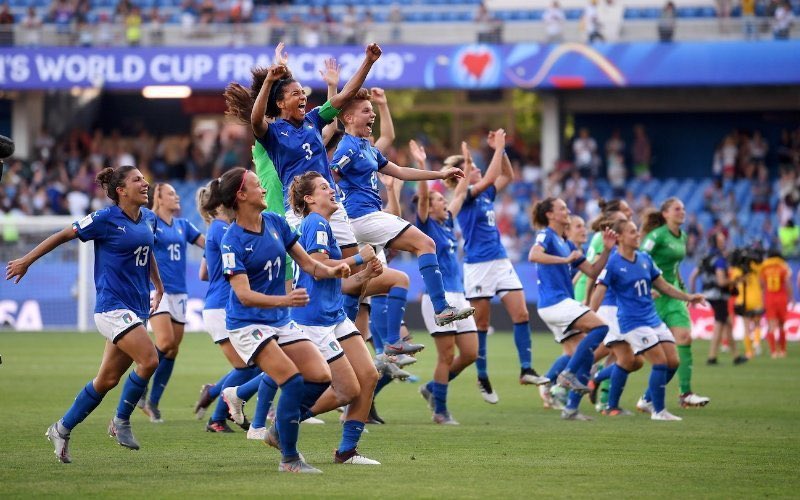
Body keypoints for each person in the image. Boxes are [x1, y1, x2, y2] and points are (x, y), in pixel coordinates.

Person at [6, 165, 163, 462]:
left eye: (144, 178)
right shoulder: (104, 218)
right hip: (112, 307)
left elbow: (147, 251)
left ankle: (61, 429)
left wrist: (159, 284)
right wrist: (26, 260)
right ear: (121, 190)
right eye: (137, 180)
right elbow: (63, 235)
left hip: (138, 307)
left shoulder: (148, 219)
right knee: (150, 359)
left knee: (106, 380)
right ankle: (121, 420)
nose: (145, 183)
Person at [207, 166, 350, 473]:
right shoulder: (232, 240)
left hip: (279, 319)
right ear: (241, 195)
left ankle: (280, 428)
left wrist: (333, 270)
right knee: (292, 379)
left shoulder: (274, 222)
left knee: (320, 375)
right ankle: (290, 459)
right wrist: (285, 300)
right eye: (257, 185)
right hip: (247, 323)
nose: (263, 189)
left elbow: (309, 264)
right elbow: (244, 295)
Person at [331, 91, 474, 354]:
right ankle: (441, 308)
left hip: (358, 224)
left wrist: (440, 174)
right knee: (425, 243)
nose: (372, 114)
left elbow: (400, 172)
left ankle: (341, 339)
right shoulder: (347, 147)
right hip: (362, 217)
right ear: (348, 118)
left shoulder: (367, 148)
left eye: (372, 110)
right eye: (366, 110)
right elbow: (331, 176)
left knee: (357, 286)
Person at [442, 131, 549, 406]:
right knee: (481, 323)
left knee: (522, 313)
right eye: (472, 167)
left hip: (500, 261)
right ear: (461, 176)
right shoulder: (464, 195)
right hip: (478, 265)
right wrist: (498, 147)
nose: (477, 169)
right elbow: (491, 177)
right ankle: (482, 375)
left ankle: (526, 369)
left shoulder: (485, 194)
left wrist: (501, 153)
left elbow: (506, 176)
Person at [288, 171, 382, 463]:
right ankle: (286, 423)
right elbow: (318, 266)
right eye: (324, 187)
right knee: (346, 390)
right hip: (315, 319)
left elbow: (339, 282)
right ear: (309, 198)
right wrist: (359, 258)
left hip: (334, 314)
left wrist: (366, 274)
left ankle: (347, 451)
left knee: (369, 376)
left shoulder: (323, 226)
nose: (332, 191)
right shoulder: (315, 222)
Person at [592, 219, 706, 421]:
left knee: (673, 362)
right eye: (632, 232)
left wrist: (688, 297)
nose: (638, 235)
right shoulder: (613, 263)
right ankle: (658, 411)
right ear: (620, 237)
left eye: (637, 231)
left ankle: (646, 401)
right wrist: (589, 317)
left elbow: (664, 286)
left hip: (652, 318)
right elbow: (599, 290)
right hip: (632, 322)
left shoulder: (645, 258)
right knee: (658, 361)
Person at [529, 197, 615, 420]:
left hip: (559, 303)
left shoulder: (566, 243)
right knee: (601, 328)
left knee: (585, 356)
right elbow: (533, 255)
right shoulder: (547, 235)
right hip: (554, 303)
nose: (567, 210)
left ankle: (570, 410)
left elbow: (593, 271)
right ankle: (566, 374)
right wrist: (565, 259)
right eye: (562, 208)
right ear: (550, 214)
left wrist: (606, 251)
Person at [415, 142, 479, 425]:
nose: (444, 202)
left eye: (443, 199)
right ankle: (440, 411)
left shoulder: (448, 223)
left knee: (471, 353)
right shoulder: (426, 225)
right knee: (447, 355)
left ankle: (432, 388)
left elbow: (461, 192)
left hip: (459, 296)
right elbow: (422, 197)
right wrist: (421, 165)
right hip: (438, 298)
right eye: (439, 200)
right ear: (430, 208)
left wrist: (467, 162)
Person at [194, 183, 262, 432]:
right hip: (222, 307)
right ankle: (217, 417)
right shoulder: (224, 229)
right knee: (246, 367)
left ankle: (215, 396)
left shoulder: (215, 229)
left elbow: (203, 273)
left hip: (221, 304)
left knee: (251, 365)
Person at [138, 183, 205, 423]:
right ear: (158, 197)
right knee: (165, 342)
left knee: (173, 348)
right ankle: (140, 381)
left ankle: (152, 402)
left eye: (177, 193)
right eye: (171, 194)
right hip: (157, 290)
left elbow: (207, 244)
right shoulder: (150, 222)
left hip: (180, 292)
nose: (176, 197)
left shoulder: (183, 225)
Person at [641, 198, 710, 408]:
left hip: (672, 294)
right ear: (665, 214)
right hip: (653, 295)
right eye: (677, 209)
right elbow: (640, 259)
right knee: (631, 354)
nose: (682, 212)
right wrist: (645, 286)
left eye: (683, 208)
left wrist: (682, 287)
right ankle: (599, 381)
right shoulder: (656, 236)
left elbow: (674, 265)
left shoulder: (683, 236)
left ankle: (685, 393)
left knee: (684, 338)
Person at [689, 231, 743, 365]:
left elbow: (693, 277)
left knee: (727, 323)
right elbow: (721, 282)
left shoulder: (705, 257)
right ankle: (712, 357)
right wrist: (736, 281)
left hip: (708, 293)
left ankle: (736, 356)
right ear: (716, 242)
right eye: (721, 240)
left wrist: (692, 295)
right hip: (719, 295)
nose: (724, 242)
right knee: (719, 323)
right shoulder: (719, 259)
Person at [760, 249, 792, 358]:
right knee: (782, 325)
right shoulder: (783, 267)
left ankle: (773, 351)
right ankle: (782, 350)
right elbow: (787, 283)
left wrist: (762, 299)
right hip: (781, 298)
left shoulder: (764, 267)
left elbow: (762, 285)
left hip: (769, 298)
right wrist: (791, 298)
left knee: (771, 326)